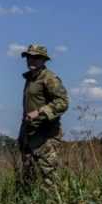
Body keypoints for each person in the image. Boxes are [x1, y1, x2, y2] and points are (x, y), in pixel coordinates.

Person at [17, 44, 69, 189]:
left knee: (50, 178)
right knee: (28, 178)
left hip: (46, 136)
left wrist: (40, 112)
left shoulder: (49, 78)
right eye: (29, 57)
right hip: (30, 135)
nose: (31, 60)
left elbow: (63, 102)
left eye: (36, 57)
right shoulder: (30, 79)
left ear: (43, 60)